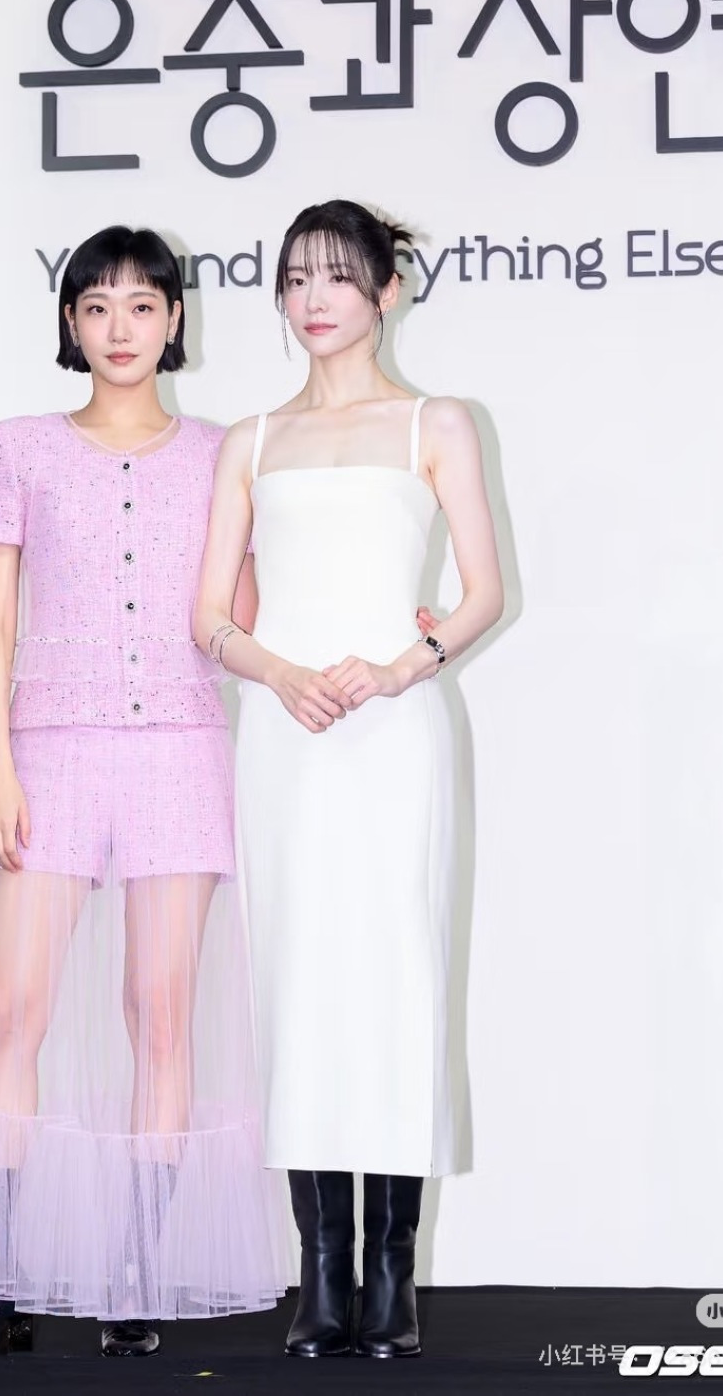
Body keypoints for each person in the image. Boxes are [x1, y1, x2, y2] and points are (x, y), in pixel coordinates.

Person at [0, 226, 288, 1358]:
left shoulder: (223, 452)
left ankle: (137, 1274)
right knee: (10, 1010)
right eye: (98, 306)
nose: (122, 327)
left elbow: (238, 621)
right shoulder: (16, 446)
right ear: (69, 322)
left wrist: (258, 542)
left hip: (179, 748)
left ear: (176, 320)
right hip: (51, 750)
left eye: (143, 305)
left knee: (159, 1015)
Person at [194, 199, 505, 1359]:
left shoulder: (438, 421)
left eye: (336, 274)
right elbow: (209, 616)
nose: (313, 297)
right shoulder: (250, 439)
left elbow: (483, 591)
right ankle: (321, 1275)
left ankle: (393, 1275)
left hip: (396, 733)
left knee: (396, 979)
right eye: (295, 277)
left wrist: (398, 667)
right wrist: (281, 675)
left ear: (387, 288)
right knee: (300, 983)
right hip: (288, 740)